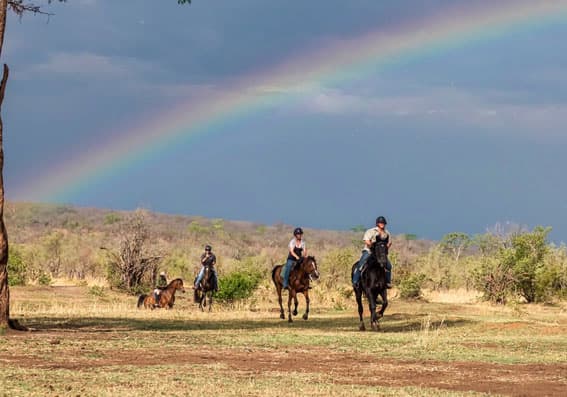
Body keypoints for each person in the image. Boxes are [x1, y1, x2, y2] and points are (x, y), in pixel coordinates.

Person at [352, 216, 393, 289]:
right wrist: (372, 246)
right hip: (369, 251)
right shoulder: (371, 231)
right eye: (380, 223)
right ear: (377, 223)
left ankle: (387, 282)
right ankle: (355, 281)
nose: (382, 224)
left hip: (380, 254)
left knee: (389, 266)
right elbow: (366, 240)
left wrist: (385, 249)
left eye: (383, 223)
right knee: (361, 265)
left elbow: (389, 242)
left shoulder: (387, 233)